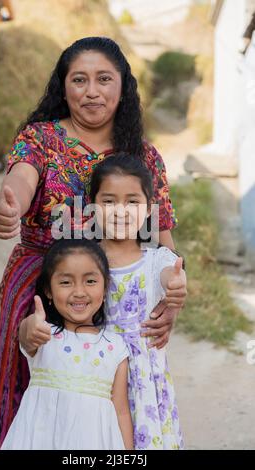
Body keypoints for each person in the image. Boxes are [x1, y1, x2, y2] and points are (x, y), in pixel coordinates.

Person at [0, 36, 186, 450]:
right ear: (64, 87)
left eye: (103, 79)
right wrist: (11, 203)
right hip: (43, 283)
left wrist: (170, 302)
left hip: (116, 290)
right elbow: (21, 178)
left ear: (122, 87)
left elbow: (163, 238)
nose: (91, 91)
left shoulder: (144, 157)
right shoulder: (41, 138)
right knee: (34, 391)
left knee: (115, 402)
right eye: (79, 79)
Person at [89, 154, 185, 449]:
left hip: (143, 386)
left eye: (132, 201)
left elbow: (171, 276)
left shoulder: (156, 259)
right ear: (92, 206)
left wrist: (177, 286)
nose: (121, 211)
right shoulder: (84, 259)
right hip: (96, 377)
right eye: (109, 201)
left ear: (148, 210)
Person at [1, 238, 133, 450]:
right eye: (66, 282)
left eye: (90, 281)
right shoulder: (44, 333)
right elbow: (26, 335)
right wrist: (32, 325)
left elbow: (121, 411)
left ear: (105, 285)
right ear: (48, 290)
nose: (79, 292)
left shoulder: (115, 347)